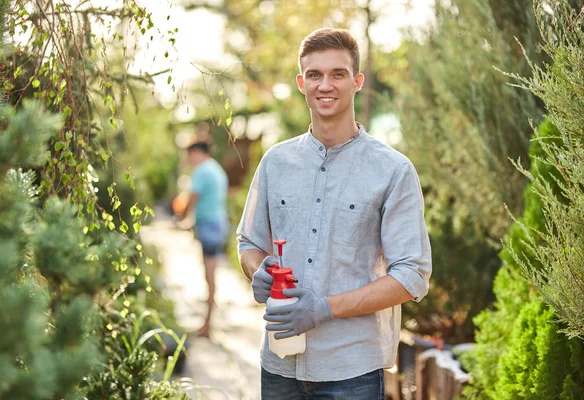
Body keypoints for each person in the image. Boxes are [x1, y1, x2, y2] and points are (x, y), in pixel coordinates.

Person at [236, 28, 432, 399]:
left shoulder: (393, 170)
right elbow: (249, 242)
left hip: (351, 371)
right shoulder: (275, 162)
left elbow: (412, 275)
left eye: (338, 74)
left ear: (357, 81)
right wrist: (256, 270)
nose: (326, 85)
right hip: (278, 366)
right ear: (301, 82)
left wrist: (324, 309)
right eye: (315, 74)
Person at [179, 141, 229, 338]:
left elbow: (192, 199)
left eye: (189, 156)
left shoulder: (201, 171)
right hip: (218, 224)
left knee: (209, 276)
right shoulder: (217, 169)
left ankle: (208, 326)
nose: (188, 161)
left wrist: (180, 218)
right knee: (211, 275)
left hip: (209, 226)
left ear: (197, 153)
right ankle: (208, 322)